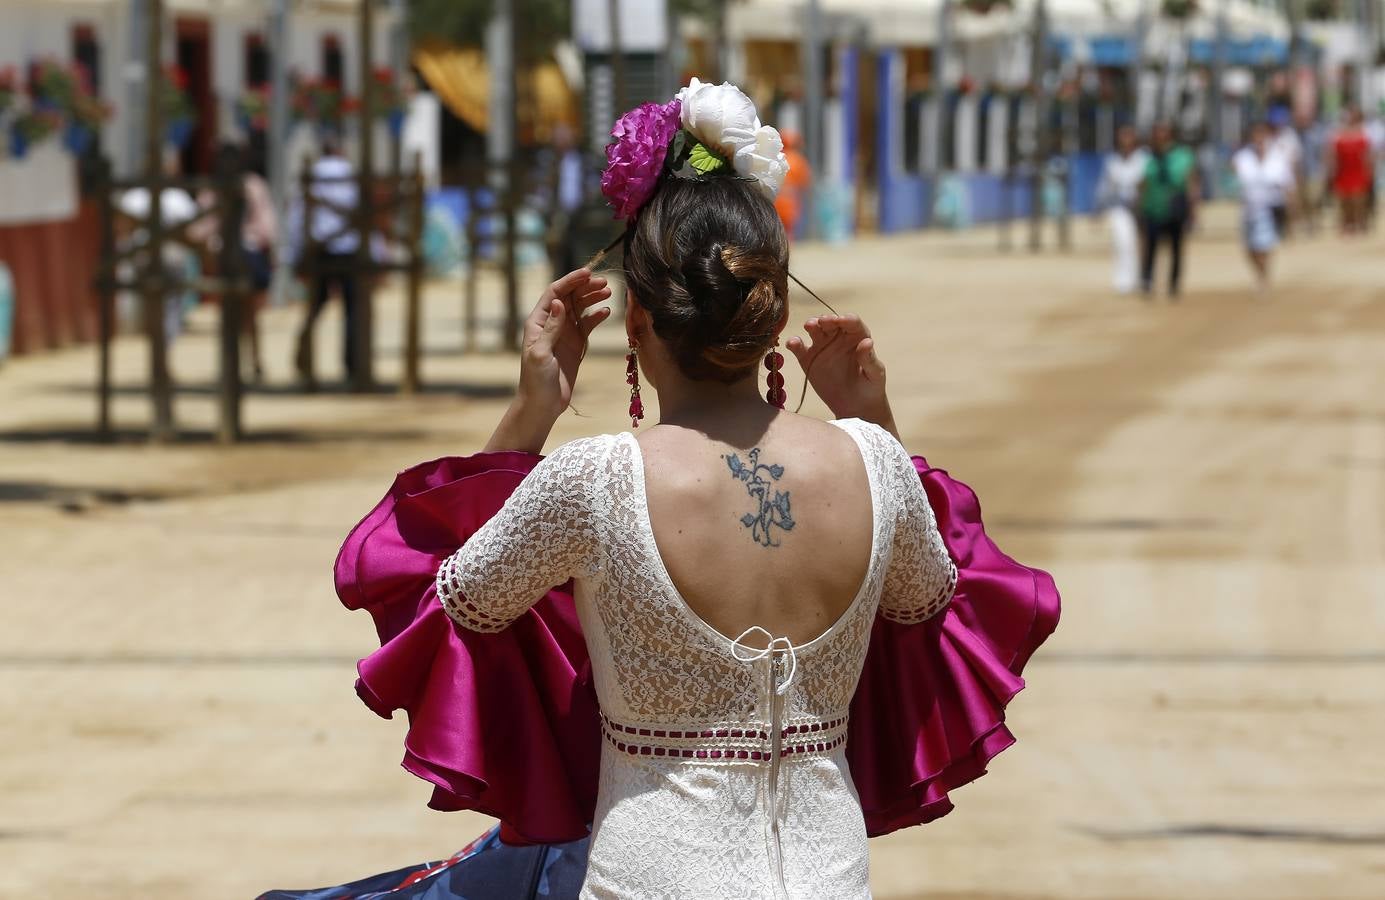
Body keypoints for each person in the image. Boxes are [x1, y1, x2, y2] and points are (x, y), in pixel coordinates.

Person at [263, 83, 1059, 900]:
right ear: (771, 305)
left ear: (635, 318)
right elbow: (934, 605)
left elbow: (444, 599)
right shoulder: (875, 467)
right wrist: (875, 421)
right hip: (830, 881)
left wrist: (533, 405)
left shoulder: (596, 478)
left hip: (650, 879)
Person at [293, 132, 360, 386]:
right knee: (353, 310)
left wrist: (297, 250)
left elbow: (299, 213)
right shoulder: (349, 172)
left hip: (318, 248)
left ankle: (305, 361)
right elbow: (360, 212)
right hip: (349, 248)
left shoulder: (313, 173)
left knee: (315, 306)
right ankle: (353, 366)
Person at [1138, 122, 1200, 300]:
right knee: (1150, 247)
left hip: (1175, 207)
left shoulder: (1183, 156)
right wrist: (1141, 207)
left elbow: (1191, 182)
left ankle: (1173, 283)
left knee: (1176, 247)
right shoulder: (1147, 156)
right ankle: (1147, 280)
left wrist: (1193, 208)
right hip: (1153, 207)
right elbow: (1143, 183)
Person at [1232, 121, 1293, 296]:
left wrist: (1291, 209)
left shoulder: (1278, 157)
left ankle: (1263, 277)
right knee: (1249, 247)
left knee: (1265, 244)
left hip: (1270, 207)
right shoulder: (1242, 158)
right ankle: (1260, 272)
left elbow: (1287, 184)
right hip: (1248, 208)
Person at [1095, 124, 1149, 295]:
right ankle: (1124, 281)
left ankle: (1143, 276)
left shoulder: (1144, 159)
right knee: (1123, 242)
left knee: (1142, 244)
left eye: (1129, 136)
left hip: (1142, 207)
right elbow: (1105, 186)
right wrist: (1099, 208)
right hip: (1120, 207)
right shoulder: (1113, 162)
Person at [1327, 107, 1373, 235]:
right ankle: (1347, 224)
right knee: (1345, 200)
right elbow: (1333, 155)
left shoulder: (1363, 133)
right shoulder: (1338, 135)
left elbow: (1367, 155)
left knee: (1358, 200)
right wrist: (1332, 171)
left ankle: (1360, 223)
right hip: (1343, 170)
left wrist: (1369, 170)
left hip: (1358, 170)